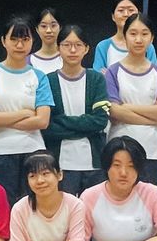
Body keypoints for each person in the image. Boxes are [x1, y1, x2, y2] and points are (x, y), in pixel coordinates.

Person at [0, 17, 54, 204]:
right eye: (14, 39)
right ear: (3, 41)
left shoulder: (39, 76)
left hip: (33, 150)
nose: (20, 45)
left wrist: (2, 118)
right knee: (4, 205)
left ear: (32, 41)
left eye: (25, 39)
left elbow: (42, 121)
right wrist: (24, 113)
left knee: (34, 206)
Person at [105, 13, 157, 188]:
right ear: (125, 36)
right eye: (133, 33)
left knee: (150, 199)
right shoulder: (113, 72)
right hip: (120, 149)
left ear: (152, 38)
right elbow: (114, 111)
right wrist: (153, 115)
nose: (138, 39)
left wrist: (127, 107)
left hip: (153, 150)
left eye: (144, 34)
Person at [43, 24, 110, 195]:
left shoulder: (96, 79)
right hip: (60, 164)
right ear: (58, 48)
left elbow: (100, 121)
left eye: (78, 45)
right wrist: (85, 126)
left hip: (94, 164)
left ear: (86, 49)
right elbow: (48, 126)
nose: (72, 50)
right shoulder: (48, 81)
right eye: (66, 45)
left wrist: (63, 121)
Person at [93, 0, 157, 71]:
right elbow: (99, 75)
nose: (126, 14)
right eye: (121, 10)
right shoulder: (103, 46)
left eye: (131, 10)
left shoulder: (147, 46)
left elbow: (154, 73)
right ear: (113, 16)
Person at [29, 7, 63, 74]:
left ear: (60, 28)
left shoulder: (69, 57)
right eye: (44, 26)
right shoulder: (28, 61)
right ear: (37, 29)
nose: (48, 30)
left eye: (53, 26)